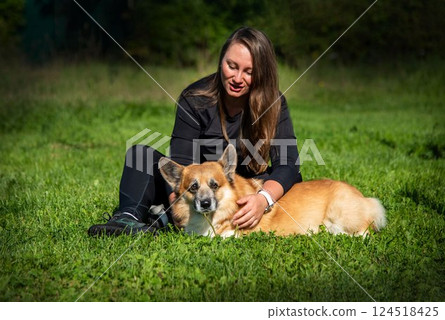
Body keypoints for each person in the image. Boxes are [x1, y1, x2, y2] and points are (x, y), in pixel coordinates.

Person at [88, 27, 302, 236]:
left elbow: (288, 162)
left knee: (291, 178)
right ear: (221, 61)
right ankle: (127, 218)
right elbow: (181, 161)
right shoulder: (195, 98)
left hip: (244, 188)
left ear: (262, 74)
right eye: (231, 66)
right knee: (140, 155)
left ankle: (161, 218)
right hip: (195, 189)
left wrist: (263, 199)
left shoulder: (274, 102)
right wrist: (180, 206)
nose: (237, 78)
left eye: (249, 72)